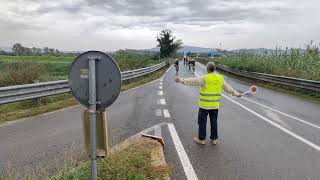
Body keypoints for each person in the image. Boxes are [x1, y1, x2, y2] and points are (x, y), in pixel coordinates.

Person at [175, 62, 242, 145]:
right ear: (214, 69)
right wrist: (237, 94)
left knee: (202, 122)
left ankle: (202, 139)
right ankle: (214, 139)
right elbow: (228, 88)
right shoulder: (220, 78)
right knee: (214, 122)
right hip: (215, 105)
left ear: (207, 68)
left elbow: (192, 81)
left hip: (204, 106)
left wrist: (181, 80)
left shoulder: (205, 78)